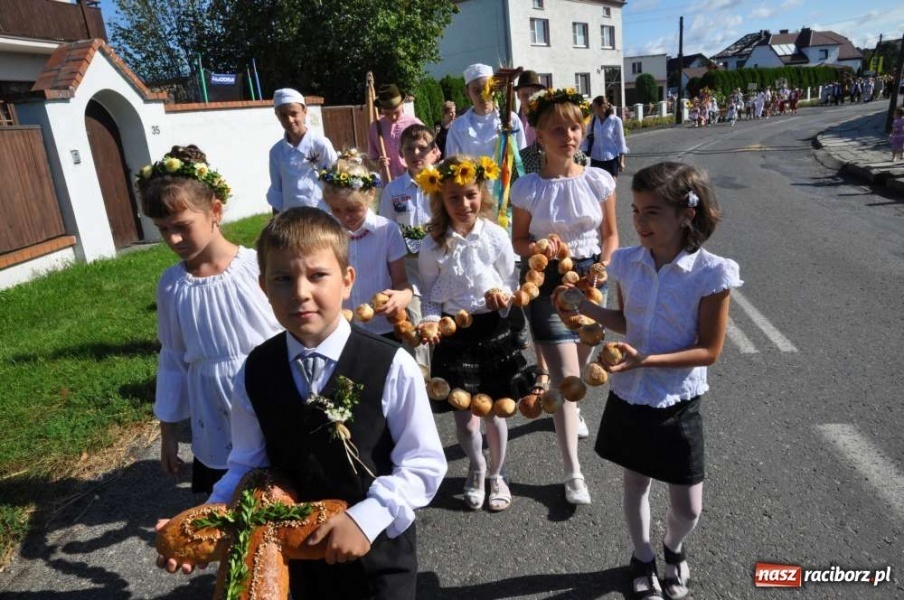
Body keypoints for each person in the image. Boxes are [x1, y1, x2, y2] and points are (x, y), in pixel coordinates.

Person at [156, 206, 447, 599]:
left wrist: (367, 518)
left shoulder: (390, 364)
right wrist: (208, 521)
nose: (300, 292)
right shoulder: (255, 371)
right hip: (298, 559)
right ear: (263, 287)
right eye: (282, 278)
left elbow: (423, 463)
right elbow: (247, 463)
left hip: (380, 555)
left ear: (347, 281)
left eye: (317, 275)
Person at [558, 161, 741, 599]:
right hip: (631, 395)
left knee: (688, 504)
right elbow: (625, 320)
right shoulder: (626, 262)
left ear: (686, 214)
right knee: (635, 483)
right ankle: (641, 556)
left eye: (653, 212)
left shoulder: (712, 273)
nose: (639, 222)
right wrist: (582, 306)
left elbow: (709, 350)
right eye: (636, 211)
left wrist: (649, 360)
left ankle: (673, 548)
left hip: (678, 398)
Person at [136, 144, 282, 495]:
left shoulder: (258, 267)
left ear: (215, 210)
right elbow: (172, 359)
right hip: (214, 416)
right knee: (229, 506)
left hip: (270, 398)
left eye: (182, 226)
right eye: (162, 228)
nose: (172, 238)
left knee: (283, 494)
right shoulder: (172, 286)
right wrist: (168, 433)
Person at [511, 89, 618, 505]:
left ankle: (573, 408)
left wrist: (604, 268)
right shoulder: (528, 187)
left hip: (591, 278)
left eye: (575, 126)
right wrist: (539, 249)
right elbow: (518, 240)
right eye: (558, 128)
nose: (568, 135)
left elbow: (610, 236)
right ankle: (573, 472)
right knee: (565, 379)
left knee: (585, 356)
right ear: (539, 134)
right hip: (547, 282)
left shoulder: (598, 180)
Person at [416, 155, 529, 512]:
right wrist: (430, 322)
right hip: (455, 337)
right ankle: (476, 468)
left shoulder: (495, 236)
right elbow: (431, 296)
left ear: (482, 192)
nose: (464, 204)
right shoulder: (431, 245)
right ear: (440, 201)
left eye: (470, 195)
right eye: (454, 198)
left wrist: (503, 299)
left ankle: (498, 473)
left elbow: (511, 283)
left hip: (493, 331)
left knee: (495, 412)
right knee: (465, 420)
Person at [320, 151, 413, 340]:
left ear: (370, 195)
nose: (345, 216)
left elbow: (401, 282)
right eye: (336, 210)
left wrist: (402, 297)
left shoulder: (387, 231)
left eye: (353, 209)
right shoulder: (326, 233)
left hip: (382, 330)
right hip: (340, 329)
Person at [378, 124, 441, 369]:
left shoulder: (444, 184)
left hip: (441, 266)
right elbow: (386, 231)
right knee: (415, 328)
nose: (416, 153)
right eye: (409, 149)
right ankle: (421, 383)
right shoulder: (393, 190)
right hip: (410, 271)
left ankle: (443, 380)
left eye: (422, 148)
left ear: (434, 151)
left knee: (442, 323)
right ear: (401, 155)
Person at [266, 88, 338, 213]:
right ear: (277, 116)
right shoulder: (276, 152)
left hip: (322, 215)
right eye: (283, 115)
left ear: (304, 111)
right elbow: (277, 191)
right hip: (292, 218)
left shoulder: (320, 144)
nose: (289, 120)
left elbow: (335, 182)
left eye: (294, 113)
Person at [445, 63, 526, 159]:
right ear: (467, 93)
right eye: (477, 91)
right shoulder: (457, 127)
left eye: (488, 89)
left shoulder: (511, 119)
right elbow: (451, 163)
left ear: (495, 89)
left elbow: (522, 155)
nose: (483, 95)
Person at [368, 83, 423, 180]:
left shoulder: (414, 124)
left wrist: (416, 162)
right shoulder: (375, 127)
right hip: (388, 183)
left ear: (402, 104)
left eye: (396, 112)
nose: (393, 117)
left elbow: (433, 153)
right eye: (387, 113)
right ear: (381, 110)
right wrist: (378, 163)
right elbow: (372, 158)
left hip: (413, 181)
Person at [583, 96, 628, 178]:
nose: (593, 110)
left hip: (611, 159)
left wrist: (621, 161)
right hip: (596, 160)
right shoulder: (593, 121)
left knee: (611, 188)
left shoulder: (615, 121)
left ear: (602, 107)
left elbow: (621, 142)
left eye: (594, 107)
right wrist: (583, 154)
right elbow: (586, 137)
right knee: (597, 189)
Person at [515, 70, 545, 147]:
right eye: (525, 95)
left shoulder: (546, 120)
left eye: (533, 94)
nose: (529, 99)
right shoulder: (513, 121)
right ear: (518, 95)